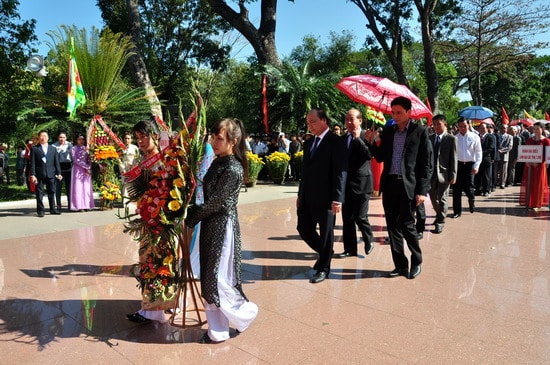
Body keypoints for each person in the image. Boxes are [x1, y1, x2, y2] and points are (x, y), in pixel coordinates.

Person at [186, 118, 258, 344]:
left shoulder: (233, 167)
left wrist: (191, 217)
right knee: (210, 277)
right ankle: (225, 325)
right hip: (209, 224)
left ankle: (229, 324)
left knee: (217, 280)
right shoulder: (218, 162)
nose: (214, 142)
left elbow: (217, 202)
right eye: (213, 138)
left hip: (222, 227)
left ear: (233, 141)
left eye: (219, 138)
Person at [365, 96, 432, 279]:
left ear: (409, 113)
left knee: (408, 224)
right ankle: (400, 265)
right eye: (393, 112)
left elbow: (426, 163)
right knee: (392, 226)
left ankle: (416, 261)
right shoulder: (388, 132)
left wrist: (422, 190)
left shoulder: (420, 132)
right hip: (390, 184)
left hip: (408, 186)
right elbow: (379, 157)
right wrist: (371, 142)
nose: (395, 116)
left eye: (399, 112)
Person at [126, 119, 169, 324]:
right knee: (149, 260)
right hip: (148, 218)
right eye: (137, 138)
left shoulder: (163, 158)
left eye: (144, 136)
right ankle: (154, 307)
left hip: (162, 221)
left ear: (154, 136)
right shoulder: (142, 159)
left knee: (157, 262)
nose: (141, 141)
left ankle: (155, 309)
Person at [297, 108, 347, 283]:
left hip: (327, 198)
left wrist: (337, 198)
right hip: (307, 196)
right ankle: (326, 252)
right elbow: (305, 171)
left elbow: (340, 172)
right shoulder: (309, 143)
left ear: (324, 120)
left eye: (313, 121)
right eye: (308, 122)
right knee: (303, 229)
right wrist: (299, 194)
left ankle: (324, 267)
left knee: (326, 233)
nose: (310, 125)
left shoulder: (336, 142)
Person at [333, 108, 374, 258]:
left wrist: (358, 139)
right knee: (348, 218)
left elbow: (369, 155)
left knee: (360, 216)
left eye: (352, 119)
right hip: (346, 185)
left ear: (360, 120)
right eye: (347, 119)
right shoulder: (342, 139)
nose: (349, 122)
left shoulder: (367, 136)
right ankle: (350, 249)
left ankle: (369, 238)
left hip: (362, 183)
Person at [428, 114, 457, 234]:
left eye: (438, 124)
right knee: (433, 198)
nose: (435, 126)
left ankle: (440, 222)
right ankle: (439, 214)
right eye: (434, 124)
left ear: (445, 124)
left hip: (444, 174)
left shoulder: (451, 139)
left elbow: (454, 158)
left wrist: (453, 175)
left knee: (443, 199)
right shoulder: (430, 138)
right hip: (431, 174)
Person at [451, 118, 482, 218]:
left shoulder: (475, 137)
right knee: (456, 189)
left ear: (468, 125)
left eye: (464, 126)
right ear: (458, 126)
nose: (462, 128)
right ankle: (457, 211)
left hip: (470, 165)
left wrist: (476, 165)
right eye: (460, 126)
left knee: (469, 188)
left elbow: (478, 152)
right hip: (458, 165)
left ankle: (471, 202)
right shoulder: (455, 138)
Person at [29, 130, 63, 217]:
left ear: (48, 138)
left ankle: (53, 209)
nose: (43, 137)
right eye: (41, 136)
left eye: (45, 136)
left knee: (52, 191)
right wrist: (33, 175)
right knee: (39, 193)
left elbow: (56, 162)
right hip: (39, 174)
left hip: (51, 173)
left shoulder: (53, 149)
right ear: (39, 137)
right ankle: (40, 210)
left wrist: (59, 172)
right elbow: (32, 163)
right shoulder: (35, 149)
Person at [519, 122, 550, 210]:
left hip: (539, 167)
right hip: (529, 166)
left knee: (538, 185)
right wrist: (526, 161)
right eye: (534, 129)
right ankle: (529, 202)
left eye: (537, 129)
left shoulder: (546, 141)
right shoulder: (529, 140)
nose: (535, 131)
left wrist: (539, 163)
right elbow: (525, 151)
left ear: (542, 129)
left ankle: (537, 204)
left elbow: (547, 154)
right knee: (529, 183)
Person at [70, 133, 95, 212]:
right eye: (79, 139)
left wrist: (89, 166)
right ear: (76, 140)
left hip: (86, 170)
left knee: (86, 187)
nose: (81, 141)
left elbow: (89, 159)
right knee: (78, 187)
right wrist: (86, 166)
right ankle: (78, 205)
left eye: (83, 139)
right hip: (77, 169)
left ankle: (86, 205)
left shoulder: (87, 148)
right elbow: (75, 160)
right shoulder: (74, 148)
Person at [53, 132, 73, 210]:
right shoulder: (54, 146)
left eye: (63, 137)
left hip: (68, 168)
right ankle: (58, 204)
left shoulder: (70, 145)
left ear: (66, 138)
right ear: (58, 138)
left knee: (69, 187)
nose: (62, 139)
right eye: (60, 137)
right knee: (58, 187)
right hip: (59, 168)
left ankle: (70, 203)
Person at [118, 132, 140, 202]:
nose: (127, 140)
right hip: (124, 168)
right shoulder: (121, 148)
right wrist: (122, 168)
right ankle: (125, 201)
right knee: (125, 183)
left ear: (131, 140)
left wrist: (134, 166)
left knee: (133, 184)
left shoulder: (135, 148)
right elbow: (118, 159)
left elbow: (138, 158)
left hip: (132, 167)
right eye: (125, 138)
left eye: (128, 138)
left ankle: (133, 200)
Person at [475, 122, 495, 197]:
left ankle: (486, 190)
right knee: (478, 176)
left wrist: (481, 153)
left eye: (483, 128)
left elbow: (491, 148)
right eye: (480, 128)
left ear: (487, 129)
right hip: (477, 160)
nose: (482, 129)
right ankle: (477, 190)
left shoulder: (490, 136)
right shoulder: (476, 136)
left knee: (486, 176)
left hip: (486, 159)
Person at [497, 124, 513, 189]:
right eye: (502, 128)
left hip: (505, 155)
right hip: (497, 155)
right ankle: (495, 183)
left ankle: (502, 183)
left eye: (505, 128)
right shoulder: (497, 136)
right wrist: (498, 150)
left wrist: (502, 150)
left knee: (503, 171)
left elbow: (510, 146)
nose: (503, 129)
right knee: (495, 170)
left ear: (507, 129)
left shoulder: (510, 137)